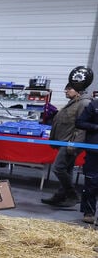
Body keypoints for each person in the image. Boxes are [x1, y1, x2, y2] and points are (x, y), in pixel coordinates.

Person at [42, 68, 92, 207]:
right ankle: (60, 195)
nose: (65, 91)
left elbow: (82, 127)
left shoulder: (84, 103)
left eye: (69, 89)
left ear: (78, 90)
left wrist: (74, 145)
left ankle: (72, 195)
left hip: (70, 143)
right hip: (65, 142)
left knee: (58, 168)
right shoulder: (73, 102)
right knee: (67, 169)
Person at [76, 89, 98, 224]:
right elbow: (79, 122)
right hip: (93, 151)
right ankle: (88, 212)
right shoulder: (94, 105)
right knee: (91, 182)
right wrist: (95, 127)